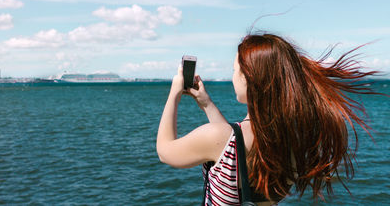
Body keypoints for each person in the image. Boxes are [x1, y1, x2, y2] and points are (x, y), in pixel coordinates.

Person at [156, 32, 380, 205]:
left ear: (250, 78)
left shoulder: (218, 137)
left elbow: (165, 152)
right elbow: (233, 146)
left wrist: (174, 92)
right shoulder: (292, 137)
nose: (233, 76)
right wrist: (207, 103)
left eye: (235, 70)